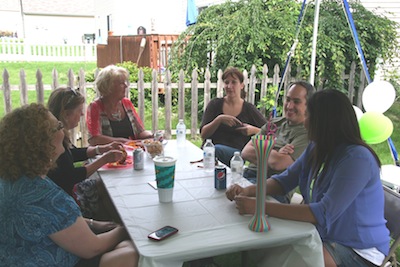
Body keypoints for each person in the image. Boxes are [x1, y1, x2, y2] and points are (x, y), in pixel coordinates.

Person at [226, 89, 390, 267]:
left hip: (359, 249)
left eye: (309, 116)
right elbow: (284, 181)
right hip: (323, 234)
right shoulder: (317, 147)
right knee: (274, 247)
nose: (305, 123)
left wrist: (260, 207)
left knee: (293, 259)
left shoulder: (357, 159)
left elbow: (322, 213)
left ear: (325, 122)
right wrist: (248, 191)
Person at [0, 103, 138, 267]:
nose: (62, 129)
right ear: (44, 142)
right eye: (58, 126)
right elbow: (92, 248)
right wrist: (126, 229)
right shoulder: (44, 195)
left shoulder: (13, 179)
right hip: (53, 259)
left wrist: (98, 224)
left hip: (16, 256)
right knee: (131, 251)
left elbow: (59, 222)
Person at [47, 86, 125, 221]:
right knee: (107, 186)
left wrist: (101, 149)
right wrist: (104, 159)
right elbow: (71, 177)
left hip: (62, 189)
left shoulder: (58, 133)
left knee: (102, 185)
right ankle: (109, 225)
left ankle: (110, 223)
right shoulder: (55, 138)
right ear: (66, 114)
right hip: (63, 196)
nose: (82, 115)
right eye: (79, 111)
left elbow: (72, 153)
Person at [241, 81, 315, 203]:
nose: (290, 106)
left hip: (274, 189)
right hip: (248, 175)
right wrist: (276, 152)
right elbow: (246, 151)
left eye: (296, 102)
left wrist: (264, 150)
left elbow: (278, 163)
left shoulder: (307, 133)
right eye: (288, 99)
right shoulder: (275, 123)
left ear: (309, 106)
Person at [200, 67, 267, 166]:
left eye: (234, 82)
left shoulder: (249, 109)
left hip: (236, 157)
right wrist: (218, 120)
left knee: (217, 149)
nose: (229, 86)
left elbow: (270, 133)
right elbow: (203, 134)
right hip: (210, 155)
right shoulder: (215, 105)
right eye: (226, 82)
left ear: (241, 85)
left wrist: (254, 130)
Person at [86, 64, 153, 145]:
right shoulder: (95, 107)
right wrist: (124, 142)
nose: (126, 86)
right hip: (107, 155)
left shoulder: (126, 103)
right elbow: (94, 139)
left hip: (131, 152)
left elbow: (140, 132)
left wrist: (152, 136)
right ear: (109, 86)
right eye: (121, 83)